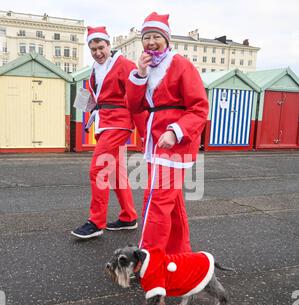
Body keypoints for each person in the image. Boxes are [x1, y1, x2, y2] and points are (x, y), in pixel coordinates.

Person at [126, 12, 209, 254]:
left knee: (156, 201)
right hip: (155, 144)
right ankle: (181, 253)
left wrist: (176, 132)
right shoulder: (146, 67)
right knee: (172, 204)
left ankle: (147, 257)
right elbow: (134, 105)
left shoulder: (181, 65)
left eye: (156, 36)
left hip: (175, 144)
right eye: (146, 37)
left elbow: (199, 107)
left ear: (166, 39)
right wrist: (140, 75)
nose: (150, 42)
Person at [72, 26, 140, 239]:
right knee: (115, 173)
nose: (97, 52)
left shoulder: (124, 64)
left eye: (101, 47)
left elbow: (138, 91)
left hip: (118, 122)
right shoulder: (94, 69)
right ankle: (129, 216)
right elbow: (94, 97)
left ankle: (96, 222)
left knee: (98, 169)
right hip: (103, 122)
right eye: (93, 49)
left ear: (109, 45)